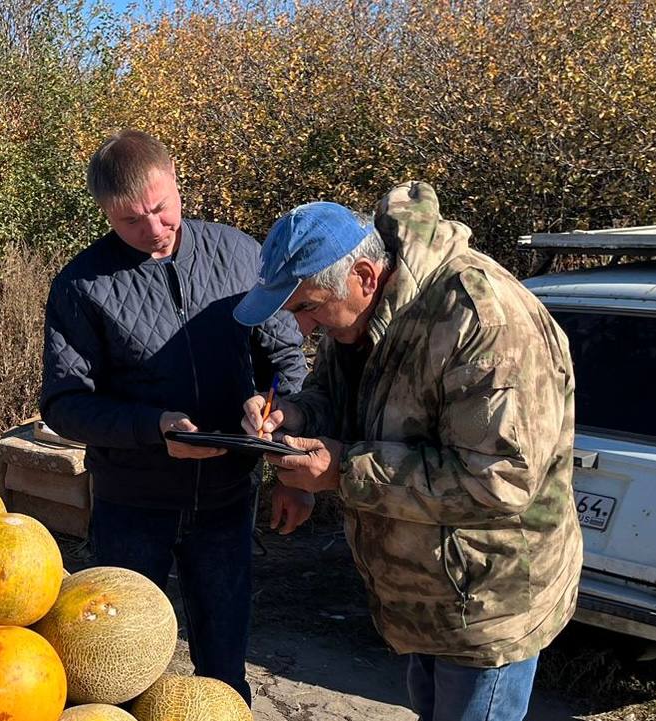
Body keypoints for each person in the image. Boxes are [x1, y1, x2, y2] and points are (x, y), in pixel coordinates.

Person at [234, 181, 582, 721]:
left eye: (307, 308)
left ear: (364, 276)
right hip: (424, 595)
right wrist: (294, 416)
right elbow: (337, 398)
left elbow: (499, 479)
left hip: (486, 601)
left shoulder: (484, 323)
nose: (301, 327)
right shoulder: (362, 314)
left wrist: (342, 472)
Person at [40, 130, 311, 703]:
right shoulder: (80, 285)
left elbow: (286, 357)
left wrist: (274, 411)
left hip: (228, 498)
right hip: (131, 504)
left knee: (224, 665)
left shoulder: (239, 255)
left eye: (162, 208)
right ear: (105, 213)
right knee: (115, 673)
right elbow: (65, 404)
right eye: (131, 221)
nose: (154, 228)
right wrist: (155, 428)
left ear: (176, 183)